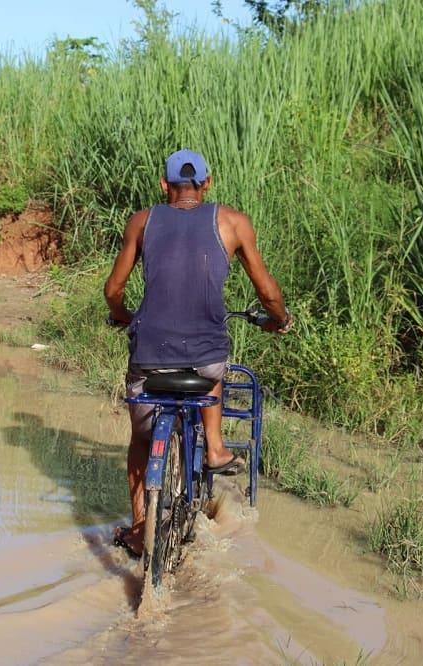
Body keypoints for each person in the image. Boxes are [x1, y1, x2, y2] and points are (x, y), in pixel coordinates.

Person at [104, 149, 293, 557]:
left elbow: (113, 291)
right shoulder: (232, 222)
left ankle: (139, 527)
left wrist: (123, 316)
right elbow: (267, 292)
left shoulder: (142, 221)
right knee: (213, 363)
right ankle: (216, 447)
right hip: (205, 359)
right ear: (207, 184)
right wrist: (279, 318)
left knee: (139, 440)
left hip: (150, 355)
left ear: (164, 185)